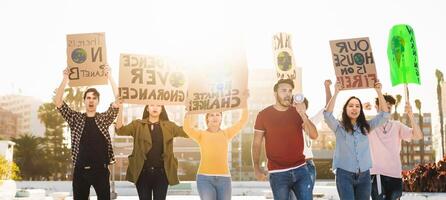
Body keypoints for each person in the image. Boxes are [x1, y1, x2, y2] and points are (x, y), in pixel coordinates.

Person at [55, 66, 120, 200]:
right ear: (84, 100)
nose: (91, 100)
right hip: (80, 171)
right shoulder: (76, 119)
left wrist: (110, 76)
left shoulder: (103, 118)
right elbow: (58, 102)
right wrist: (65, 78)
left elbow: (119, 100)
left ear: (98, 101)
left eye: (94, 98)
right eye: (88, 97)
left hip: (101, 171)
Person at [251, 79, 318, 200]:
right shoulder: (263, 115)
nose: (288, 94)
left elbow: (314, 135)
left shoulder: (297, 112)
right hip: (278, 174)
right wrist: (256, 167)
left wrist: (303, 114)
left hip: (301, 170)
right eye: (283, 90)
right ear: (275, 93)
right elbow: (256, 143)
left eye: (290, 91)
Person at [323, 81, 390, 200]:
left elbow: (384, 115)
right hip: (344, 175)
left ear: (360, 110)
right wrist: (336, 92)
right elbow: (327, 115)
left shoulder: (366, 127)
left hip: (364, 175)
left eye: (357, 106)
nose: (354, 108)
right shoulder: (338, 127)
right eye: (351, 105)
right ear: (345, 109)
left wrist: (378, 91)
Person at [115, 104, 188, 200]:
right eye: (152, 105)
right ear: (147, 108)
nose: (155, 107)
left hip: (162, 173)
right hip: (142, 173)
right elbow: (120, 130)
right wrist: (120, 108)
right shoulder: (137, 125)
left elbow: (187, 132)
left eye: (158, 105)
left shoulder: (169, 126)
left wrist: (189, 113)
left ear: (162, 109)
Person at [183, 104, 248, 200]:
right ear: (207, 118)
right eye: (211, 115)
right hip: (204, 178)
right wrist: (189, 112)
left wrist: (244, 104)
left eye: (218, 114)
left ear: (221, 118)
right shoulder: (201, 134)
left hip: (224, 179)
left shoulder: (226, 134)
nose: (215, 117)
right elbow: (187, 128)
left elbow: (242, 121)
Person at [368, 95, 423, 200]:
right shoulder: (369, 125)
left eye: (389, 107)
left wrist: (411, 115)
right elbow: (350, 126)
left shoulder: (397, 125)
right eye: (384, 106)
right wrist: (362, 107)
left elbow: (418, 136)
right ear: (376, 107)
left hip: (395, 175)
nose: (387, 109)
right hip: (377, 174)